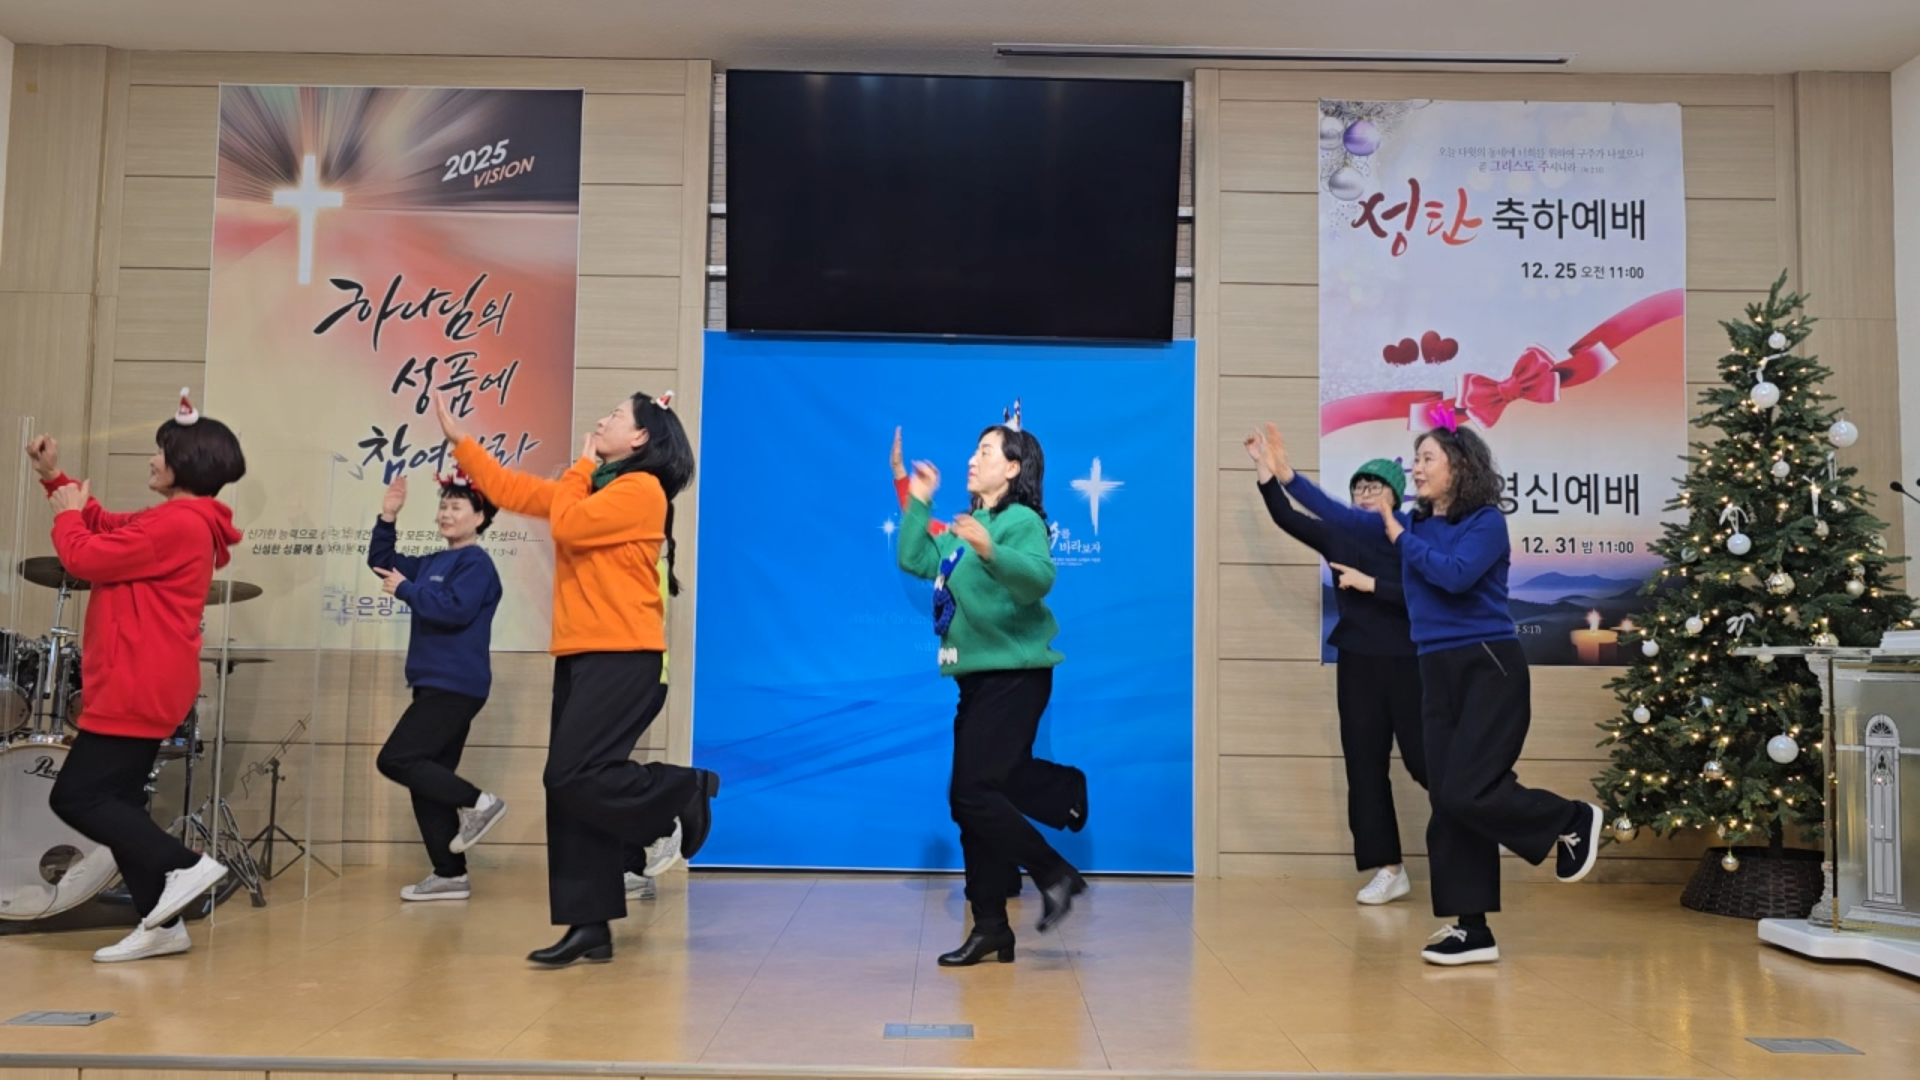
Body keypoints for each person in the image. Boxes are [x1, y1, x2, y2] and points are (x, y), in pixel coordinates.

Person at [1253, 417, 1603, 966]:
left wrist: (1399, 538)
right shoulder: (1412, 522)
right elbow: (1337, 515)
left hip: (1487, 665)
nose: (1415, 469)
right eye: (1415, 459)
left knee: (1468, 789)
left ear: (1458, 467)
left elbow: (1455, 576)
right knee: (1448, 798)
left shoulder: (1485, 522)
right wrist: (1286, 475)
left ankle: (1570, 819)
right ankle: (1472, 928)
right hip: (1434, 668)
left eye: (1426, 459)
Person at [437, 390, 717, 966]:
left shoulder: (641, 490)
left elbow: (567, 526)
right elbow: (515, 491)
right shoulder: (597, 487)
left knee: (570, 776)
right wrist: (462, 443)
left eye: (615, 415)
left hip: (625, 656)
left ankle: (682, 789)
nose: (602, 419)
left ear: (640, 437)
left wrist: (581, 468)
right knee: (568, 790)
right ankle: (589, 925)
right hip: (582, 654)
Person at [27, 390, 244, 963]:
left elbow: (84, 556)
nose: (152, 460)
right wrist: (55, 480)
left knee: (77, 797)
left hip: (135, 680)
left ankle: (187, 866)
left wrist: (65, 513)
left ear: (186, 463)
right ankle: (162, 923)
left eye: (161, 453)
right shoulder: (180, 520)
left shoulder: (179, 524)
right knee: (119, 802)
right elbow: (107, 525)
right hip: (145, 680)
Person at [897, 420, 1085, 968]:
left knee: (971, 795)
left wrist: (992, 551)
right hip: (976, 680)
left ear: (1012, 468)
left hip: (1015, 675)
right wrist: (919, 499)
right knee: (977, 802)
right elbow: (915, 559)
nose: (972, 460)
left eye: (985, 451)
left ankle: (1054, 873)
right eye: (974, 451)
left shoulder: (1020, 521)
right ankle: (991, 928)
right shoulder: (967, 525)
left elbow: (1039, 578)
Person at [1245, 435, 1426, 906]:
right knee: (1364, 765)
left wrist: (1373, 585)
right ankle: (1389, 868)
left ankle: (1473, 832)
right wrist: (1266, 471)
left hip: (1411, 661)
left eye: (1374, 487)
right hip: (1358, 661)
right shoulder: (1339, 534)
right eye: (1358, 487)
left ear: (1396, 495)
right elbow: (1287, 517)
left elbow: (1427, 598)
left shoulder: (1414, 536)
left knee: (1426, 762)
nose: (1364, 494)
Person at [368, 471, 507, 902]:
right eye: (443, 506)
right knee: (427, 778)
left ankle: (480, 803)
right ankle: (449, 874)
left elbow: (454, 610)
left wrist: (407, 591)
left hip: (457, 684)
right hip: (433, 683)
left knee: (397, 759)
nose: (446, 513)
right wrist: (388, 516)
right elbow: (381, 561)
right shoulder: (430, 562)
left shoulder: (476, 563)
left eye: (456, 507)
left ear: (479, 517)